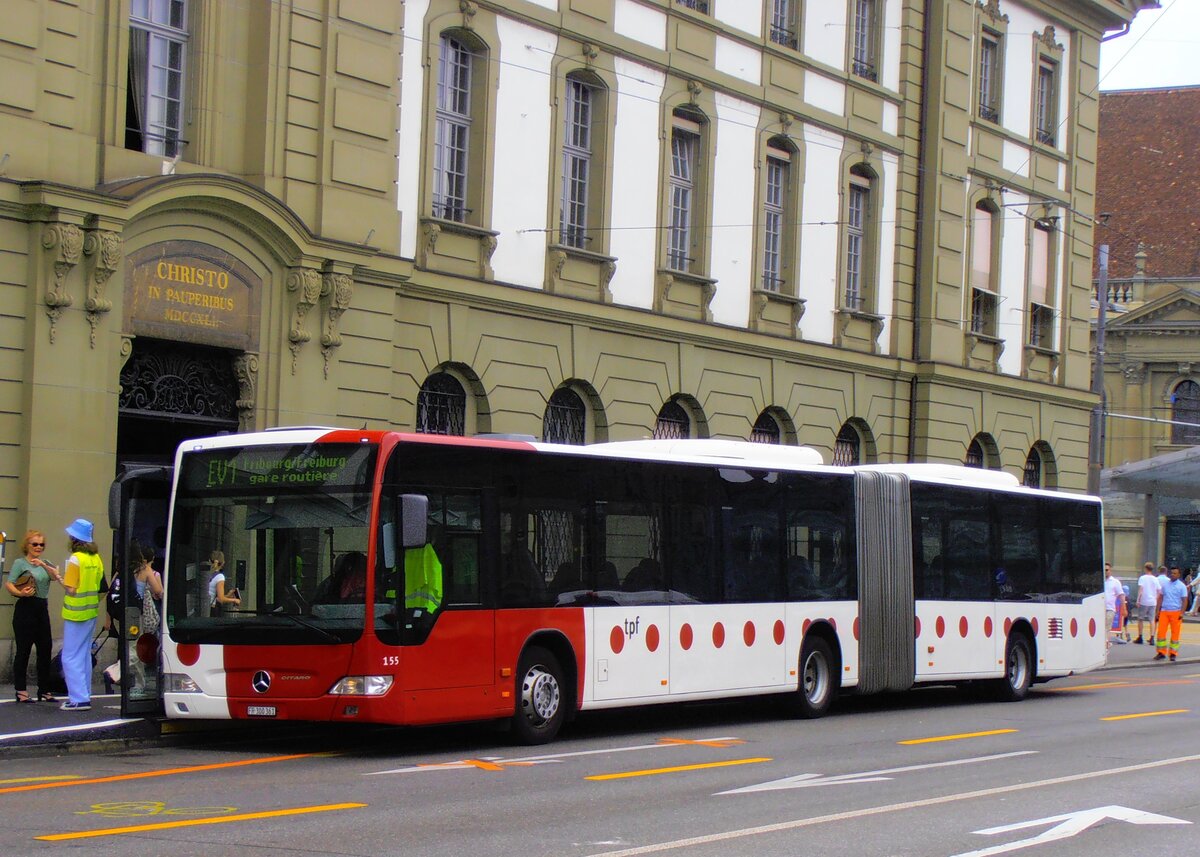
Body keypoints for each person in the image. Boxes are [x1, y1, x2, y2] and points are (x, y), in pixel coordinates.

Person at [48, 518, 105, 711]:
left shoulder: (75, 559)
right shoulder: (95, 558)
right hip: (91, 612)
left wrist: (57, 577)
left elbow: (71, 589)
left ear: (74, 538)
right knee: (83, 655)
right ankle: (84, 693)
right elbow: (100, 587)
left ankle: (78, 699)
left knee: (70, 656)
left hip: (75, 613)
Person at [4, 530, 57, 703]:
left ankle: (44, 689)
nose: (38, 547)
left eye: (41, 544)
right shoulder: (20, 563)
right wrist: (21, 593)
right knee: (23, 650)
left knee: (45, 648)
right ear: (27, 545)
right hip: (25, 608)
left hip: (42, 607)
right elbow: (9, 583)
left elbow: (55, 577)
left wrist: (42, 565)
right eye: (35, 544)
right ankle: (21, 690)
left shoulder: (45, 563)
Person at [131, 542, 163, 695]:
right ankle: (117, 672)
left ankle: (137, 682)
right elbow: (159, 591)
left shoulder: (126, 569)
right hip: (141, 613)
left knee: (131, 645)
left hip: (127, 611)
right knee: (137, 647)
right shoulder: (147, 570)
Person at [1154, 566, 1189, 662]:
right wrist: (1158, 611)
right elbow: (1160, 597)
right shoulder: (1165, 585)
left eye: (1174, 573)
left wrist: (1182, 613)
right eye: (1171, 573)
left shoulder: (1182, 586)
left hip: (1176, 612)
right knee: (1161, 633)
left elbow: (1184, 600)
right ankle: (1161, 652)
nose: (1172, 575)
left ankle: (1173, 653)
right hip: (1164, 611)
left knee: (1175, 634)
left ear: (1179, 575)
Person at [1134, 562, 1160, 644]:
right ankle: (1152, 637)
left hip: (1144, 601)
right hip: (1152, 602)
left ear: (1145, 568)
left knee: (1140, 619)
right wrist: (1156, 598)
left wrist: (1138, 600)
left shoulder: (1142, 578)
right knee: (1152, 620)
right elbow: (1159, 590)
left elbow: (1141, 589)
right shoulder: (1155, 579)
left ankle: (1140, 636)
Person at [1102, 563, 1123, 649]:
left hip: (1109, 609)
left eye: (1107, 570)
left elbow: (1121, 595)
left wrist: (1124, 608)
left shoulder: (1115, 582)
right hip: (1098, 609)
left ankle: (1106, 645)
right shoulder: (1099, 581)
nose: (1105, 572)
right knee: (1100, 628)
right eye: (1104, 570)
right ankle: (1105, 644)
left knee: (1106, 627)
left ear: (1110, 571)